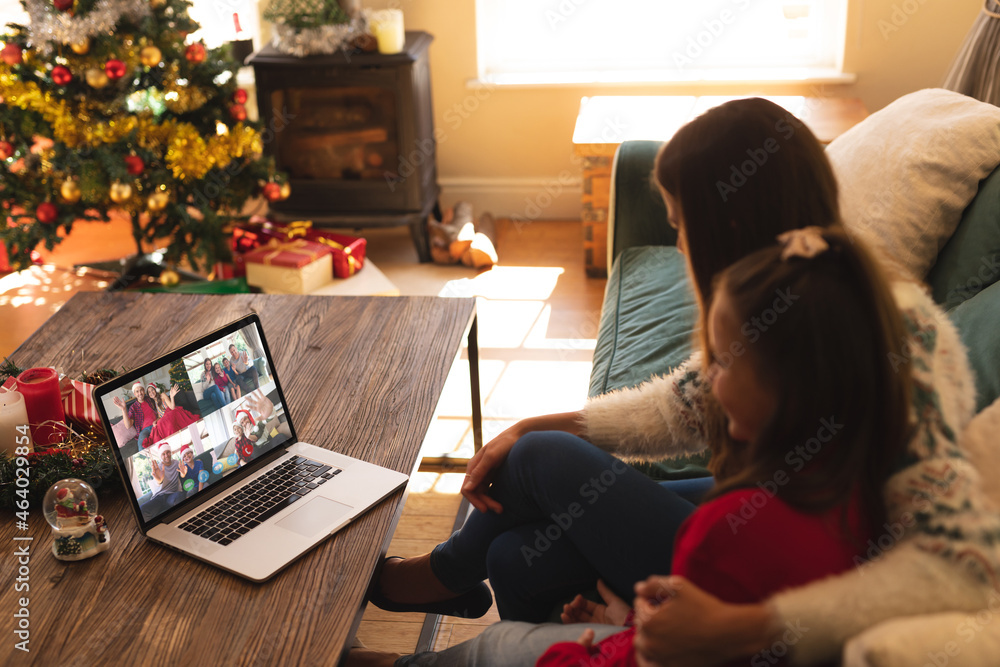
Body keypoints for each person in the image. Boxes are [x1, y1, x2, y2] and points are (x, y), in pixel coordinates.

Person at [363, 97, 1000, 665]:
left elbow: (942, 552)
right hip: (767, 515)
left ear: (727, 225)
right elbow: (683, 408)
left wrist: (743, 626)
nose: (676, 240)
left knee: (538, 460)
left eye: (677, 223)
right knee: (516, 554)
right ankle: (482, 587)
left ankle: (445, 575)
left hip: (796, 574)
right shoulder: (793, 295)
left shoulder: (895, 337)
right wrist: (531, 421)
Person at [534, 227, 908, 667]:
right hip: (628, 630)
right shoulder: (862, 497)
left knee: (493, 637)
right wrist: (631, 622)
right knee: (513, 548)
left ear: (783, 384)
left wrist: (567, 654)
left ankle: (449, 575)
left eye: (724, 363)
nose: (708, 381)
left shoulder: (724, 529)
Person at [140, 441, 188, 519]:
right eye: (163, 454)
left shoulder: (177, 463)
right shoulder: (158, 467)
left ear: (171, 452)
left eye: (168, 452)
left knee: (179, 496)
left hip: (172, 495)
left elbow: (182, 476)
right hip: (159, 497)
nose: (166, 455)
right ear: (160, 456)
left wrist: (183, 474)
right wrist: (159, 481)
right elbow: (158, 482)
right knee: (142, 509)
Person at [112, 381, 158, 449]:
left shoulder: (149, 399)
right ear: (134, 394)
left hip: (157, 423)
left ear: (144, 391)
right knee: (142, 447)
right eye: (137, 391)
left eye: (141, 390)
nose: (140, 393)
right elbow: (128, 426)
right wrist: (123, 409)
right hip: (145, 430)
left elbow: (160, 406)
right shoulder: (133, 408)